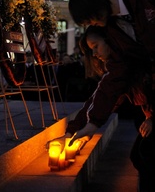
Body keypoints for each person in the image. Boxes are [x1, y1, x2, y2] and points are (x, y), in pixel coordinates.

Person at [49, 25, 153, 191]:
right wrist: (70, 133)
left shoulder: (125, 62)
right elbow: (99, 100)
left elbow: (105, 93)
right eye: (92, 50)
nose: (95, 54)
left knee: (144, 154)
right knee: (140, 156)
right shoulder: (119, 64)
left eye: (96, 46)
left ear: (109, 39)